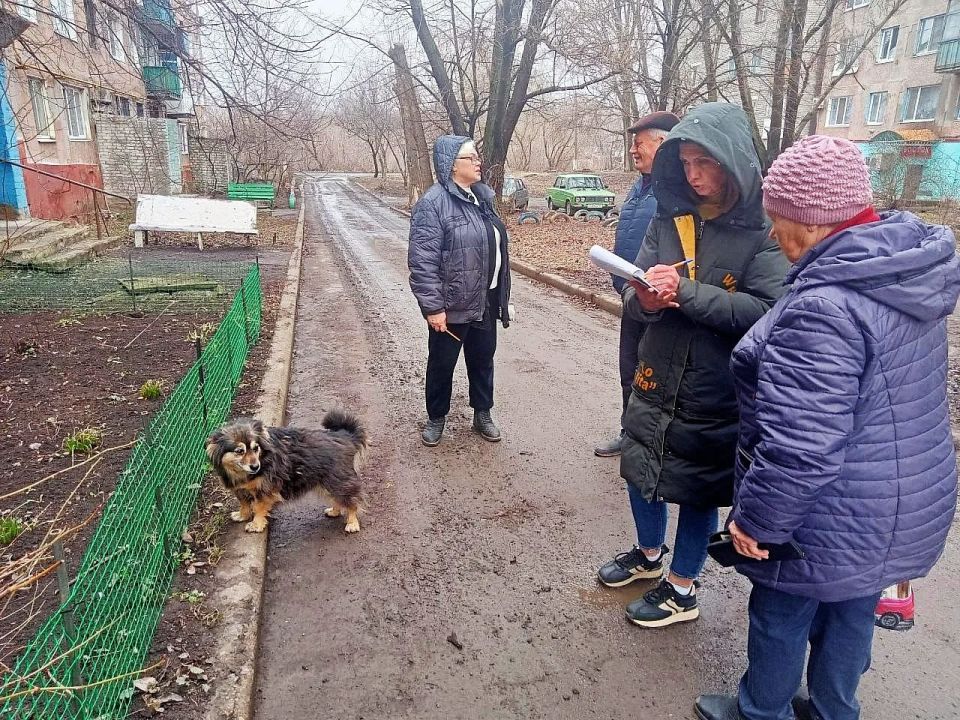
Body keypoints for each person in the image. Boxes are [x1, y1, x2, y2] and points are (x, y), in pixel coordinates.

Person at [695, 137, 960, 720]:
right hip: (897, 500)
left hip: (826, 510)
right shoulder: (902, 272)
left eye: (778, 220)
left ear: (812, 222)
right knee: (851, 612)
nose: (772, 236)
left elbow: (800, 448)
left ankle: (761, 711)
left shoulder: (823, 307)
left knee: (781, 615)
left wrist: (758, 523)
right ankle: (835, 710)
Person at [596, 103, 791, 628]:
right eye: (685, 163)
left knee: (698, 484)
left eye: (705, 162)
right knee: (641, 469)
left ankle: (683, 588)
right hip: (656, 372)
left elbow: (764, 311)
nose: (694, 175)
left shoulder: (762, 232)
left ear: (732, 163)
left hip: (717, 386)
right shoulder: (670, 216)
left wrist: (683, 293)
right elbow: (638, 291)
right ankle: (647, 554)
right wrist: (647, 302)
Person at [407, 136, 511, 447]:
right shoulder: (433, 203)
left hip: (485, 300)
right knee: (442, 364)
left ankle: (482, 414)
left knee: (483, 360)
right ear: (453, 165)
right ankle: (436, 417)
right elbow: (422, 261)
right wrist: (433, 308)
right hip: (451, 305)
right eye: (471, 157)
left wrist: (503, 296)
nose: (479, 162)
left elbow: (494, 249)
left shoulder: (482, 198)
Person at [594, 111, 680, 458]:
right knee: (628, 370)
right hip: (632, 297)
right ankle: (630, 434)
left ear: (662, 144)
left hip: (660, 303)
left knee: (655, 376)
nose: (633, 150)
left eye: (639, 143)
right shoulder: (640, 185)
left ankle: (656, 443)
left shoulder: (674, 190)